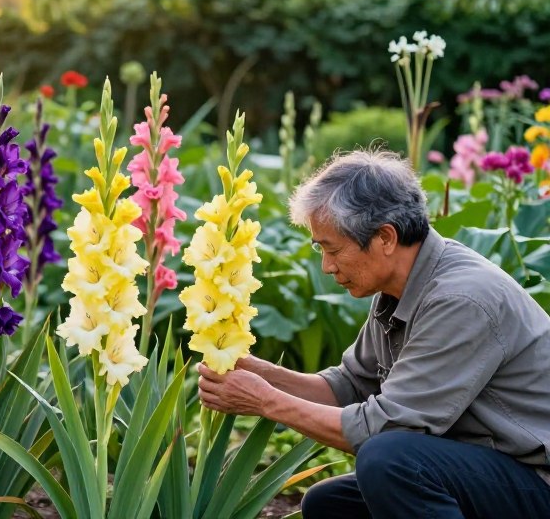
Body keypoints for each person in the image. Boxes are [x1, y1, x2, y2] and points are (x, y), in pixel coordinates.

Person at [196, 149, 550, 519]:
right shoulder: (401, 287)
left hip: (537, 480)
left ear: (385, 237)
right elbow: (348, 386)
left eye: (332, 249)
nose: (326, 266)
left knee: (387, 459)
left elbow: (386, 427)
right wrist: (259, 372)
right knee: (330, 504)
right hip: (494, 472)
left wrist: (265, 401)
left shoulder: (460, 299)